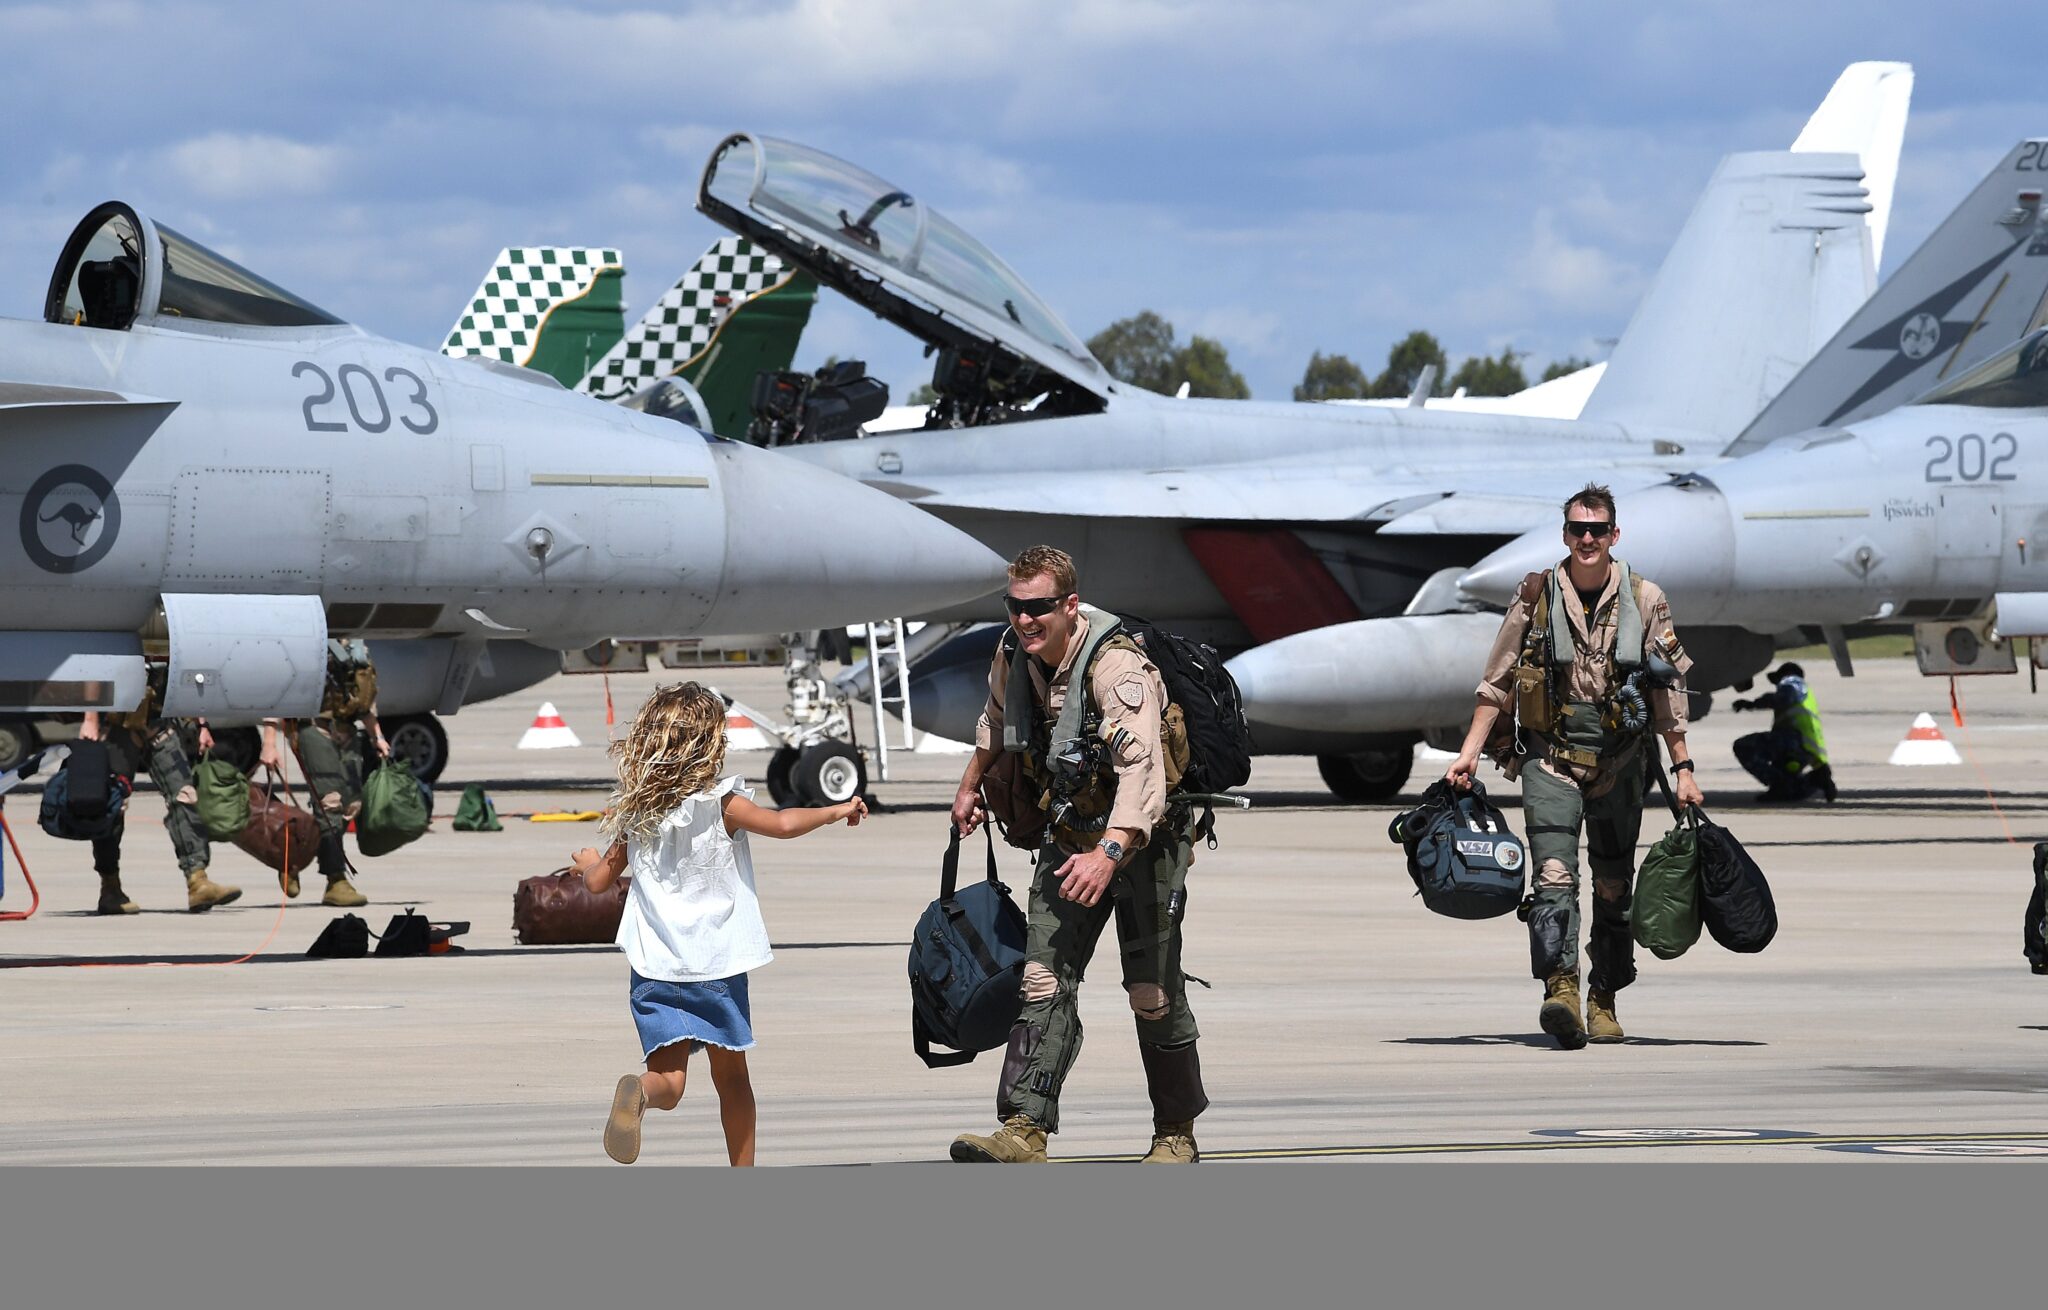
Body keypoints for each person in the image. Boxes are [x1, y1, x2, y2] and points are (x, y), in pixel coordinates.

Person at [947, 544, 1207, 1164]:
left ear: (1069, 604)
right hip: (1071, 840)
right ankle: (1023, 1128)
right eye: (1014, 606)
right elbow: (996, 720)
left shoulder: (1116, 669)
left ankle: (1176, 1135)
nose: (1024, 619)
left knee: (1152, 990)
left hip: (1144, 843)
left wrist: (1109, 853)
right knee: (1041, 979)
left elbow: (1143, 773)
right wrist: (969, 784)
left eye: (1037, 607)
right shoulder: (1014, 653)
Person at [1446, 484, 1704, 1050]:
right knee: (1552, 879)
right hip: (1551, 759)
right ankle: (1561, 988)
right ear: (1565, 535)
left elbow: (1668, 691)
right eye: (1577, 530)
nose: (1587, 539)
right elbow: (1497, 681)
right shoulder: (1536, 595)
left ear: (1615, 535)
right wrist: (1469, 752)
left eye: (1598, 529)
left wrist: (1683, 768)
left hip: (1622, 762)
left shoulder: (1646, 597)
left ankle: (1604, 995)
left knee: (1615, 886)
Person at [573, 682, 866, 1166]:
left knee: (671, 1081)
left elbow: (600, 882)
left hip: (655, 969)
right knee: (732, 1081)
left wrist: (586, 861)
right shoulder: (722, 804)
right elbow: (784, 824)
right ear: (710, 745)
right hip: (716, 967)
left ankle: (642, 1092)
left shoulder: (638, 812)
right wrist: (836, 809)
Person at [79, 663, 241, 915]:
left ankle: (197, 880)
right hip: (118, 728)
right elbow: (95, 666)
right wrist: (90, 719)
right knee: (112, 806)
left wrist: (202, 724)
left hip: (160, 726)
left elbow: (191, 669)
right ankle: (110, 887)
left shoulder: (171, 627)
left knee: (185, 795)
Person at [260, 639, 383, 907]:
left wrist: (378, 737)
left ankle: (292, 858)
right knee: (330, 803)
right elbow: (280, 693)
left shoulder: (356, 648)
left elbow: (366, 701)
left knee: (351, 805)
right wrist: (269, 743)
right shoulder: (305, 642)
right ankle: (336, 878)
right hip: (315, 728)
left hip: (348, 731)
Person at [1731, 662, 1836, 803]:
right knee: (1792, 791)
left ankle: (1779, 785)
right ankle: (1814, 780)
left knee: (1743, 746)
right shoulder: (1807, 694)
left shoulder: (1793, 681)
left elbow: (1785, 696)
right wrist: (1821, 767)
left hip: (1792, 741)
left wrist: (1752, 704)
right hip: (1806, 749)